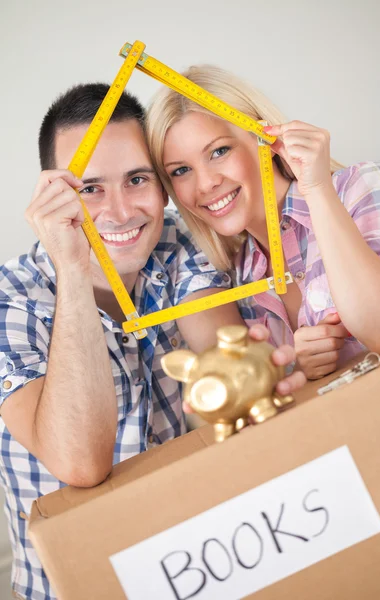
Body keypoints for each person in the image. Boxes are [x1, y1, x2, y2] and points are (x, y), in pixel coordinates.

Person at [0, 83, 304, 600]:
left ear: (162, 187)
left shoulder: (175, 243)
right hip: (77, 585)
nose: (120, 212)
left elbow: (221, 365)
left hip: (191, 566)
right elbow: (79, 463)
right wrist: (73, 268)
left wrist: (258, 374)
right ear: (53, 193)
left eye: (137, 179)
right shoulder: (12, 300)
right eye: (90, 188)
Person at [146, 64, 380, 380]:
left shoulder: (360, 187)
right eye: (181, 171)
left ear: (264, 137)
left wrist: (316, 187)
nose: (205, 184)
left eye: (219, 151)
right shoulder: (243, 276)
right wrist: (302, 367)